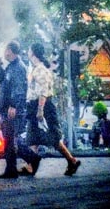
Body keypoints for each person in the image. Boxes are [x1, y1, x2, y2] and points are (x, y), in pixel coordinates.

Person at [25, 42, 81, 176]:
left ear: (33, 52)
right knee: (32, 137)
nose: (27, 52)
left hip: (44, 106)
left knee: (54, 138)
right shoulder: (34, 68)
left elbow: (43, 91)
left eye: (29, 50)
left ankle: (72, 161)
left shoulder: (41, 70)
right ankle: (30, 166)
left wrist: (40, 109)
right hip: (34, 106)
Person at [0, 40, 42, 179]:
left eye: (5, 49)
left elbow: (19, 89)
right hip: (6, 109)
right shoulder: (9, 67)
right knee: (9, 140)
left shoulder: (19, 68)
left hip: (13, 110)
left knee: (12, 140)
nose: (4, 52)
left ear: (10, 50)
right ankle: (12, 169)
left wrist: (14, 105)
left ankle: (31, 159)